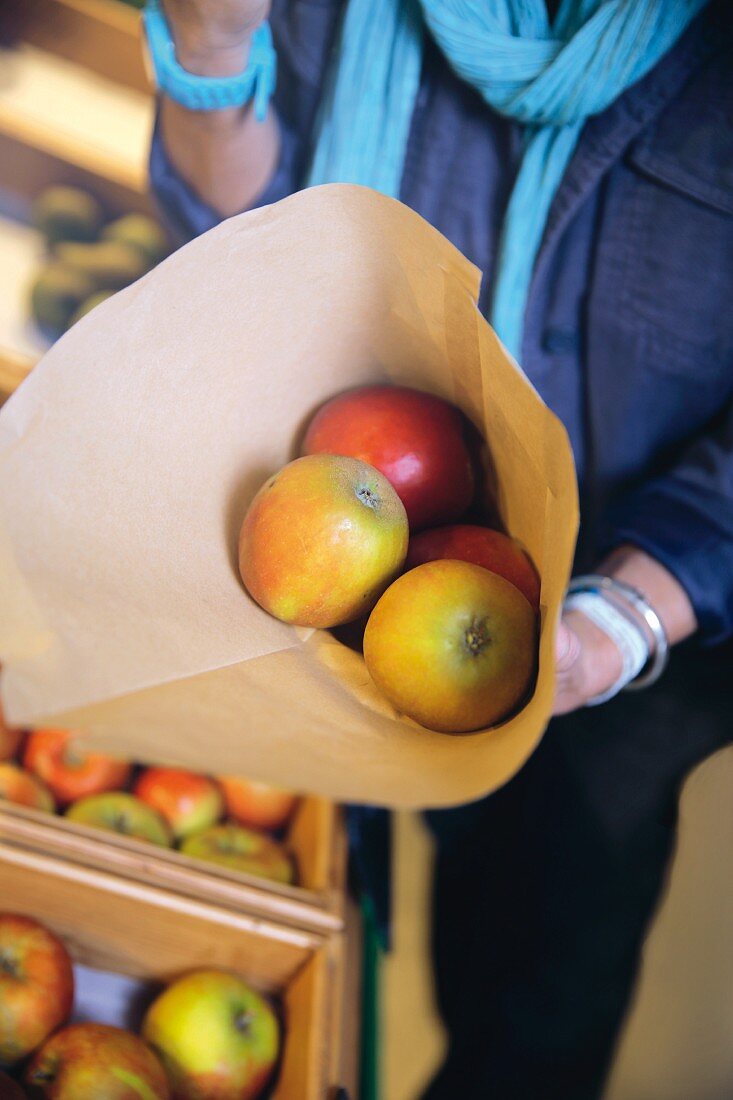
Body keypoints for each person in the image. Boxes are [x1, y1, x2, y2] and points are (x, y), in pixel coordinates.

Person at [146, 1, 733, 1095]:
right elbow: (237, 262)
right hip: (325, 531)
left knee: (534, 988)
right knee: (319, 874)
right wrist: (214, 49)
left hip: (635, 597)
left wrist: (624, 619)